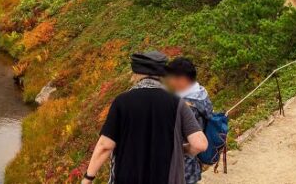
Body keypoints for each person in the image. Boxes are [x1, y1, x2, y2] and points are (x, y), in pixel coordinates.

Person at [82, 52, 209, 184]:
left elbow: (105, 146)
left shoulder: (122, 102)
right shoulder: (177, 103)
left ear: (137, 74)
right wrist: (181, 149)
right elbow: (200, 144)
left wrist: (88, 178)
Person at [166, 58, 214, 184]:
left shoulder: (186, 107)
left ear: (182, 79)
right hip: (194, 164)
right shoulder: (201, 94)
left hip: (182, 167)